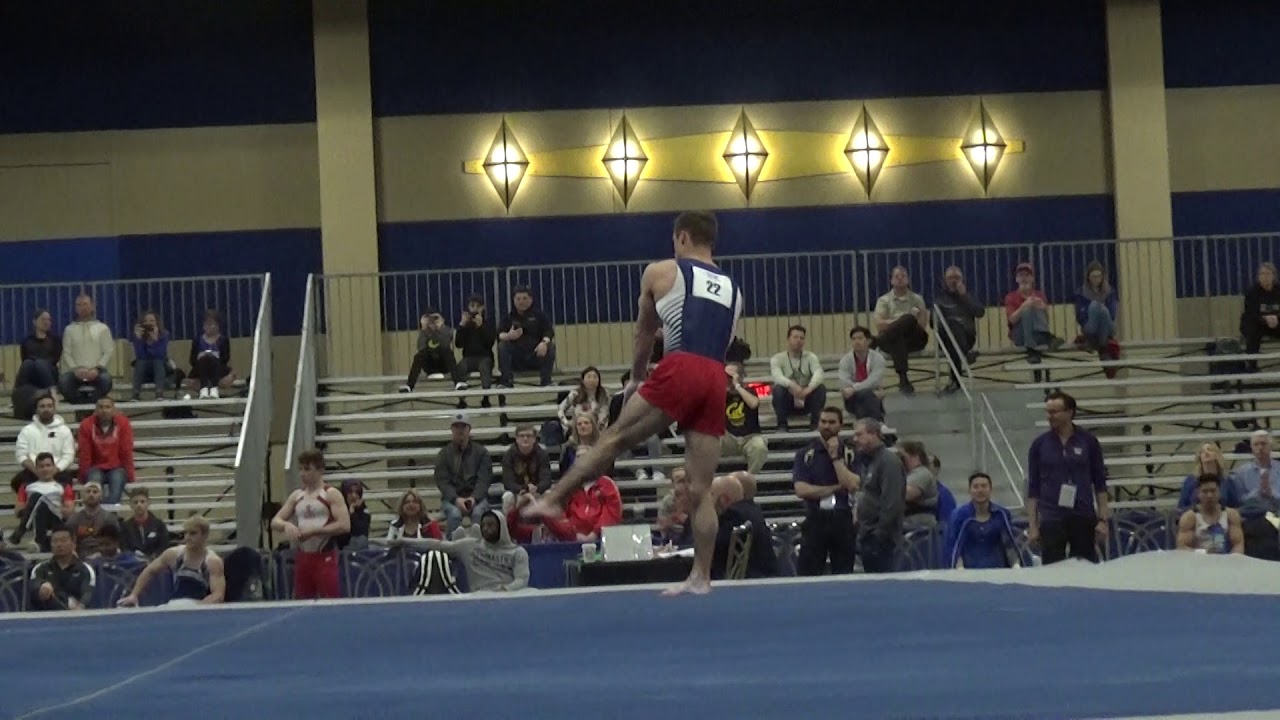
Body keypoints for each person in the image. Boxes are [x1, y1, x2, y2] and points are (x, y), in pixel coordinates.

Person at [524, 211, 743, 596]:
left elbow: (643, 332)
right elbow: (723, 342)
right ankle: (701, 577)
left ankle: (554, 500)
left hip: (682, 364)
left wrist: (638, 378)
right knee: (699, 488)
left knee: (612, 438)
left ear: (682, 237)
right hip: (714, 375)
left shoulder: (661, 272)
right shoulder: (734, 289)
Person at [1026, 391, 1111, 564]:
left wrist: (1102, 519)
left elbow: (1100, 484)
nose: (1050, 416)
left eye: (1054, 412)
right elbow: (1033, 489)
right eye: (1048, 412)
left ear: (1069, 412)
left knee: (1084, 566)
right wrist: (1033, 525)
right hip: (1051, 516)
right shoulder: (1039, 444)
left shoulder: (1088, 441)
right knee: (1052, 567)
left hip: (1082, 513)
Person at [271, 449, 351, 599]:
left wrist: (314, 531)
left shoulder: (331, 494)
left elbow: (345, 525)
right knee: (302, 604)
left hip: (324, 557)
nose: (302, 474)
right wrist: (286, 525)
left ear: (320, 470)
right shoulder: (297, 496)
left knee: (330, 603)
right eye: (300, 469)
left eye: (307, 469)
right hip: (303, 559)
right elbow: (275, 521)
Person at [118, 516, 227, 607]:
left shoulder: (212, 561)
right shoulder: (174, 554)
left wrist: (198, 608)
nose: (188, 537)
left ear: (205, 535)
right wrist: (134, 595)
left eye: (193, 533)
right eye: (186, 533)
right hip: (174, 605)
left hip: (196, 605)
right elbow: (150, 570)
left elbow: (218, 595)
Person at [944, 472, 1024, 569]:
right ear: (969, 491)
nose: (980, 490)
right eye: (975, 487)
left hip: (998, 570)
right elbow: (954, 548)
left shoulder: (1002, 514)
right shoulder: (959, 516)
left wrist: (1016, 566)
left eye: (984, 486)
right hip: (969, 571)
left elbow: (1010, 545)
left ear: (990, 490)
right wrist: (960, 570)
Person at [28, 527, 95, 611]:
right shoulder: (40, 568)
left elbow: (88, 594)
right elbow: (33, 588)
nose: (59, 544)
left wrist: (80, 606)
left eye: (63, 540)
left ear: (74, 544)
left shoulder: (85, 569)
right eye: (55, 541)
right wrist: (42, 586)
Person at [1175, 475, 1245, 555]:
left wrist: (1232, 560)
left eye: (1213, 491)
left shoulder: (1231, 515)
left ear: (1219, 492)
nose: (1209, 495)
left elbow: (1238, 544)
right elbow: (1182, 547)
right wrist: (1205, 553)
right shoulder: (1189, 518)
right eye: (1205, 491)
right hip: (1198, 562)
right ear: (1198, 494)